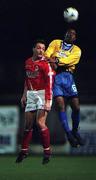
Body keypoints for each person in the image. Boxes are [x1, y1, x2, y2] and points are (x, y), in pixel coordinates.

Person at [16, 39, 55, 164]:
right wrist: (24, 95)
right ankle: (24, 151)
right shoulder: (27, 62)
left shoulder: (45, 64)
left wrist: (48, 101)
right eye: (39, 48)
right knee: (28, 124)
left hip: (44, 93)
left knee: (40, 123)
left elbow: (49, 84)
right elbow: (27, 80)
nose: (41, 50)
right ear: (33, 49)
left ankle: (47, 152)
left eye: (43, 48)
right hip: (32, 94)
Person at [44, 28, 85, 147]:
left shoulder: (77, 50)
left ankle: (75, 131)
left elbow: (70, 61)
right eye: (68, 32)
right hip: (56, 77)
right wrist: (52, 61)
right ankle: (68, 134)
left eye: (73, 34)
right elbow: (47, 54)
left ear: (75, 38)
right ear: (65, 34)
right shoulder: (56, 42)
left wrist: (56, 60)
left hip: (68, 77)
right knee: (61, 105)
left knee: (76, 107)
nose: (70, 34)